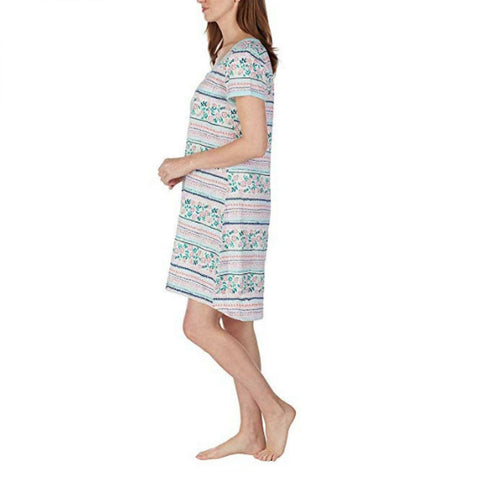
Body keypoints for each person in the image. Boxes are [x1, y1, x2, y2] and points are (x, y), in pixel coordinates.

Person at [158, 0, 295, 461]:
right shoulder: (232, 52)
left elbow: (254, 141)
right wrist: (192, 169)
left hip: (229, 211)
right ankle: (251, 431)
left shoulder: (245, 54)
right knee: (235, 320)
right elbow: (233, 136)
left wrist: (186, 162)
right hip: (222, 205)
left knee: (197, 325)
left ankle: (275, 409)